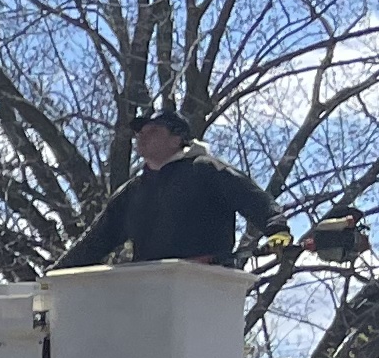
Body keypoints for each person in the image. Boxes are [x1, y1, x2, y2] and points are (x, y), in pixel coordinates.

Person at [57, 110, 275, 268]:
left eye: (153, 130)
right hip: (151, 288)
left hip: (207, 285)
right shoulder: (133, 192)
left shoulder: (206, 171)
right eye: (140, 131)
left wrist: (277, 230)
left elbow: (253, 198)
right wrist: (53, 276)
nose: (143, 135)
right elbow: (96, 241)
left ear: (177, 138)